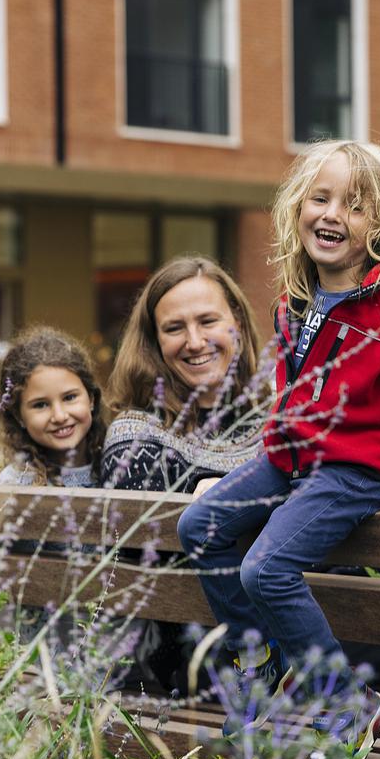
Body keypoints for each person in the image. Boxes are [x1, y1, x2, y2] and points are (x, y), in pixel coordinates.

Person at [177, 139, 380, 747]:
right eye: (320, 198)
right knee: (198, 524)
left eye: (354, 206)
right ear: (296, 208)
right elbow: (291, 399)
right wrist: (247, 476)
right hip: (288, 461)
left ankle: (346, 700)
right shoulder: (294, 302)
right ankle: (260, 663)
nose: (332, 215)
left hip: (356, 472)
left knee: (266, 568)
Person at [100, 255, 268, 692]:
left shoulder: (286, 419)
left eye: (208, 321)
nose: (194, 341)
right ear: (154, 343)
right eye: (175, 328)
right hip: (192, 679)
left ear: (239, 325)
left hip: (297, 663)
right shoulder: (135, 437)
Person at [0, 326, 106, 488]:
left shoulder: (117, 466)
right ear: (19, 416)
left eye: (69, 397)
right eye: (40, 405)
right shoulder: (16, 482)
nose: (60, 416)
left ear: (91, 399)